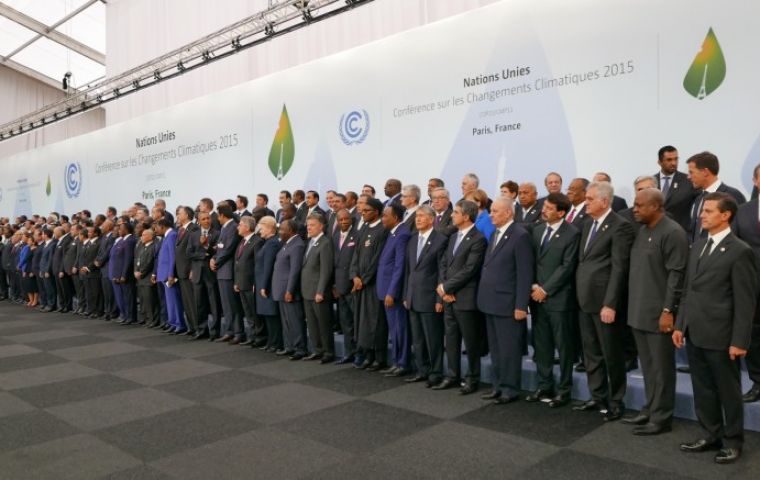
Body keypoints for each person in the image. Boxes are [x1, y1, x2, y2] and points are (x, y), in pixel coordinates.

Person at [673, 192, 757, 464]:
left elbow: (746, 302)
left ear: (726, 215)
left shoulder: (740, 251)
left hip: (723, 336)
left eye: (708, 211)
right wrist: (679, 325)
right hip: (695, 331)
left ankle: (733, 441)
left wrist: (740, 340)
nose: (702, 215)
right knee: (703, 388)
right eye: (703, 210)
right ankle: (711, 435)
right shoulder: (697, 245)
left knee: (728, 392)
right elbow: (688, 290)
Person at [623, 188, 688, 435]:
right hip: (639, 311)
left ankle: (661, 418)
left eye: (639, 205)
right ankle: (650, 408)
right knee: (648, 366)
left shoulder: (673, 232)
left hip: (659, 313)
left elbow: (677, 276)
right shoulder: (643, 230)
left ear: (656, 207)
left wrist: (668, 310)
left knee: (661, 368)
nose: (634, 209)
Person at [573, 181, 635, 421]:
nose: (585, 203)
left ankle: (616, 400)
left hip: (604, 303)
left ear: (604, 201)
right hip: (584, 298)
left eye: (589, 199)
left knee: (612, 354)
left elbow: (619, 268)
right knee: (591, 352)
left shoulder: (621, 226)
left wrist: (610, 303)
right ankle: (597, 396)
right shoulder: (587, 223)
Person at [478, 197, 534, 402]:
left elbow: (524, 274)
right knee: (495, 348)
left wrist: (521, 305)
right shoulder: (494, 234)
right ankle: (497, 385)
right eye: (491, 211)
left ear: (508, 213)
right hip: (490, 301)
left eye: (495, 211)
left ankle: (510, 388)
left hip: (508, 304)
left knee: (509, 350)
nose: (491, 215)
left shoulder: (520, 236)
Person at [527, 193, 580, 408]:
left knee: (564, 346)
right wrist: (534, 286)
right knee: (541, 345)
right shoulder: (537, 229)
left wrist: (546, 289)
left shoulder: (572, 233)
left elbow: (567, 266)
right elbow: (531, 261)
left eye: (549, 208)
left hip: (559, 299)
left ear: (561, 212)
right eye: (544, 206)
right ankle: (544, 385)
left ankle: (564, 389)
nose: (544, 210)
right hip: (536, 296)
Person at [435, 200, 487, 393]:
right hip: (449, 296)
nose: (451, 215)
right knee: (451, 339)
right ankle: (452, 375)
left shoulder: (478, 238)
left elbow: (470, 269)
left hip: (465, 298)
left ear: (466, 216)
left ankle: (472, 378)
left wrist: (447, 288)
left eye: (455, 212)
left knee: (471, 341)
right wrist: (443, 289)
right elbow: (444, 264)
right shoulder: (453, 236)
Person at [403, 205, 448, 387]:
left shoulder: (440, 240)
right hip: (413, 297)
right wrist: (407, 295)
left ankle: (435, 373)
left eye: (422, 216)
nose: (418, 219)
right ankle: (422, 370)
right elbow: (409, 271)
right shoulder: (413, 239)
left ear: (432, 219)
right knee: (418, 338)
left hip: (430, 297)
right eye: (417, 216)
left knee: (433, 338)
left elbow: (441, 272)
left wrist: (440, 299)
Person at [351, 198, 390, 370]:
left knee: (375, 322)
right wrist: (354, 276)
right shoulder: (364, 228)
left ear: (376, 211)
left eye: (366, 210)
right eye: (362, 210)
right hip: (360, 284)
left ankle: (378, 357)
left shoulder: (383, 230)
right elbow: (355, 256)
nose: (362, 212)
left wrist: (364, 279)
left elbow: (377, 260)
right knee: (362, 322)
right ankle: (367, 354)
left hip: (373, 285)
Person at [731, 182, 760, 403]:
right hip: (752, 285)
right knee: (754, 336)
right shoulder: (743, 211)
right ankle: (758, 383)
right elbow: (735, 247)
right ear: (756, 181)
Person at [377, 204, 412, 376]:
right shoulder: (392, 233)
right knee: (394, 329)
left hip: (394, 292)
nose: (382, 218)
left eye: (385, 215)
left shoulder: (403, 234)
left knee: (400, 328)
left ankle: (403, 363)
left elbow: (399, 266)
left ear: (396, 218)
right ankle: (397, 361)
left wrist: (391, 292)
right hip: (385, 289)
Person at [687, 151, 746, 243]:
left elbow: (741, 230)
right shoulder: (698, 198)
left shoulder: (733, 195)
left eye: (691, 172)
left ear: (705, 172)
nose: (688, 177)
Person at [301, 213, 335, 363]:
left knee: (323, 324)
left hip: (318, 292)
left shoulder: (325, 243)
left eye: (312, 225)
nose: (309, 227)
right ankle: (317, 350)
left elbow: (325, 270)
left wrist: (320, 291)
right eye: (308, 225)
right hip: (307, 291)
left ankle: (328, 352)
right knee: (312, 324)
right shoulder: (310, 241)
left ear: (321, 226)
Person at [272, 219, 307, 360]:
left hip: (289, 290)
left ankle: (300, 348)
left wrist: (290, 290)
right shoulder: (287, 244)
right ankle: (289, 346)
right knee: (286, 321)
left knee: (295, 321)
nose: (279, 231)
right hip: (281, 289)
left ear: (291, 230)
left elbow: (294, 271)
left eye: (282, 229)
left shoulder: (297, 245)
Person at [211, 203, 243, 343]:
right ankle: (229, 331)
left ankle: (238, 332)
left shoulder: (233, 227)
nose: (217, 218)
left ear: (222, 215)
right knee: (226, 304)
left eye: (218, 215)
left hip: (228, 270)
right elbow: (219, 247)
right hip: (222, 270)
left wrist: (216, 261)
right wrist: (213, 258)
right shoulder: (225, 228)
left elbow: (228, 249)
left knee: (232, 304)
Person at [188, 211, 221, 340]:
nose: (207, 220)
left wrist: (206, 246)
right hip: (197, 273)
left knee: (214, 303)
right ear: (199, 221)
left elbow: (217, 251)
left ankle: (215, 332)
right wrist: (202, 253)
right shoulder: (193, 234)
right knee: (199, 303)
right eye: (204, 219)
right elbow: (189, 253)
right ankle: (201, 330)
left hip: (211, 273)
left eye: (208, 218)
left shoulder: (217, 233)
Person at [332, 209, 358, 364]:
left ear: (351, 219)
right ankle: (349, 353)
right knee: (345, 322)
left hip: (353, 286)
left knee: (356, 322)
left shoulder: (358, 235)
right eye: (340, 220)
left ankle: (360, 353)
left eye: (346, 219)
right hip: (339, 287)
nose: (343, 222)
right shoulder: (335, 236)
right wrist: (334, 285)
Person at [235, 216, 265, 346]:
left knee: (255, 312)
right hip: (241, 283)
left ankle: (260, 337)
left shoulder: (257, 241)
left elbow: (258, 265)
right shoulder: (242, 241)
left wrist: (255, 283)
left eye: (240, 225)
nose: (238, 227)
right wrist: (236, 282)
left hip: (251, 283)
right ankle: (252, 336)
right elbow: (237, 263)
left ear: (247, 227)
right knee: (247, 312)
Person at [654, 145, 698, 231]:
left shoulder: (689, 181)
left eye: (676, 159)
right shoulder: (651, 182)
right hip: (656, 232)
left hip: (681, 232)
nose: (674, 163)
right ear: (659, 162)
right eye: (669, 160)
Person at [255, 216, 283, 352]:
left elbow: (268, 266)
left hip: (268, 285)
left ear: (269, 227)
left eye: (261, 227)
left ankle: (276, 343)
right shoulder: (267, 242)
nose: (259, 230)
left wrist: (264, 286)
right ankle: (271, 341)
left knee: (272, 315)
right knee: (267, 315)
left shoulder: (272, 243)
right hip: (263, 283)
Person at [155, 218, 185, 334]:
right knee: (169, 301)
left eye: (157, 227)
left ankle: (180, 324)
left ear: (162, 226)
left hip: (169, 275)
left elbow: (173, 256)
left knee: (174, 301)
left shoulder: (172, 235)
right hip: (163, 274)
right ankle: (172, 322)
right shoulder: (166, 236)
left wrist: (171, 274)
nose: (155, 229)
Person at [175, 207, 199, 336]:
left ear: (187, 215)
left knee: (192, 301)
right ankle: (191, 327)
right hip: (180, 271)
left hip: (188, 271)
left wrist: (192, 269)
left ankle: (197, 327)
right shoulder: (180, 229)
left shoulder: (193, 228)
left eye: (180, 213)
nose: (177, 215)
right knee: (186, 301)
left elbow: (193, 250)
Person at [110, 222, 137, 325]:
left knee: (129, 297)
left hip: (126, 275)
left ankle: (131, 317)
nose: (118, 231)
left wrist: (123, 275)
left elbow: (128, 260)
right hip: (119, 274)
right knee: (124, 296)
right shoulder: (122, 241)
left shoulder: (130, 241)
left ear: (126, 230)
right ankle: (126, 315)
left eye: (121, 229)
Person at [135, 228, 160, 328]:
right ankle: (146, 318)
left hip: (147, 277)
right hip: (140, 278)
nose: (142, 237)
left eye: (144, 235)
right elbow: (137, 260)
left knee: (151, 301)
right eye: (141, 235)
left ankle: (153, 320)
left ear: (150, 236)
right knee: (144, 300)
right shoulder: (142, 247)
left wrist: (141, 272)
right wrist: (136, 271)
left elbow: (150, 262)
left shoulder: (153, 247)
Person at [94, 220, 117, 320]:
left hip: (108, 268)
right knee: (106, 293)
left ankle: (112, 312)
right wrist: (96, 260)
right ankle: (107, 311)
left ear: (108, 227)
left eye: (103, 226)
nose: (101, 227)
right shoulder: (103, 237)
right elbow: (100, 251)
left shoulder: (112, 237)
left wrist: (100, 261)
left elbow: (108, 251)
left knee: (110, 292)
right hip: (102, 269)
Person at [52, 226, 73, 313]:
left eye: (55, 232)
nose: (54, 234)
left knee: (65, 289)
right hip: (56, 269)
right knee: (60, 290)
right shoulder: (58, 241)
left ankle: (67, 306)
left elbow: (64, 257)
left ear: (60, 232)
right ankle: (62, 305)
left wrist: (61, 270)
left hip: (61, 270)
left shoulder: (66, 240)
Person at [39, 228, 58, 312]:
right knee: (46, 288)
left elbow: (50, 259)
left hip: (47, 270)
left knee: (50, 288)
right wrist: (41, 269)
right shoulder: (45, 244)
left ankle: (51, 305)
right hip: (43, 269)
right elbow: (43, 258)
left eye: (42, 234)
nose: (42, 235)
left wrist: (47, 270)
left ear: (46, 235)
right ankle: (47, 303)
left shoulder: (52, 244)